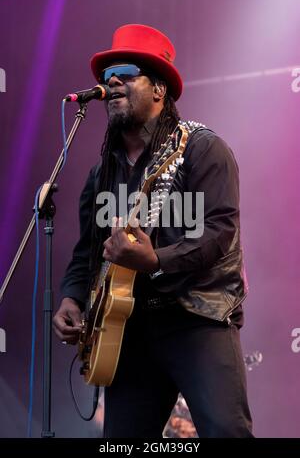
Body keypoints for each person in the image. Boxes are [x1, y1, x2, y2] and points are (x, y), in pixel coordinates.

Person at [53, 24, 253, 438]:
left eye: (126, 72)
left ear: (159, 90)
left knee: (226, 433)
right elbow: (87, 250)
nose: (112, 82)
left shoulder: (201, 149)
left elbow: (220, 232)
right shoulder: (101, 173)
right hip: (129, 326)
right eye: (107, 75)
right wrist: (72, 296)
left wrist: (156, 260)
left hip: (198, 317)